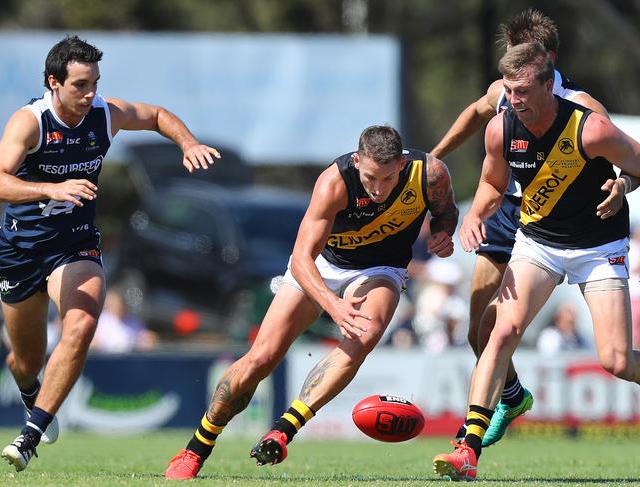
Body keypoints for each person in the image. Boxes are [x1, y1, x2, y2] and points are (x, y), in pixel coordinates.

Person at [165, 125, 459, 479]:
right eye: (370, 178)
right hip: (322, 265)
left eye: (387, 178)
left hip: (381, 268)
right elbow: (303, 258)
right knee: (261, 358)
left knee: (365, 336)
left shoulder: (429, 174)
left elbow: (446, 211)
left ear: (401, 163)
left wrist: (443, 231)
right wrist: (333, 306)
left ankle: (284, 430)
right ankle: (197, 447)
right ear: (356, 161)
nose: (378, 189)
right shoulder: (334, 182)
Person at [0, 35, 219, 472]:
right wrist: (49, 187)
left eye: (95, 83)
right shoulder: (29, 122)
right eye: (80, 85)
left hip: (74, 244)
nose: (91, 94)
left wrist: (187, 142)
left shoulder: (104, 114)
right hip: (21, 250)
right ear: (54, 82)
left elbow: (156, 115)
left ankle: (30, 434)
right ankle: (31, 393)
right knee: (24, 360)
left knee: (81, 324)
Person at [432, 41, 640, 481]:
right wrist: (475, 214)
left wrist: (625, 190)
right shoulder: (501, 128)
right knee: (498, 328)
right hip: (539, 243)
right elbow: (492, 184)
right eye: (509, 90)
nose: (513, 100)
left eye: (523, 90)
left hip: (598, 249)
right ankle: (467, 448)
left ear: (550, 85)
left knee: (617, 361)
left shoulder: (591, 129)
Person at [90, 287, 158, 353]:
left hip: (128, 361)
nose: (117, 306)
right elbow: (93, 343)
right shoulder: (100, 321)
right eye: (114, 303)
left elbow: (144, 338)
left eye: (119, 303)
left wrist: (148, 339)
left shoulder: (133, 321)